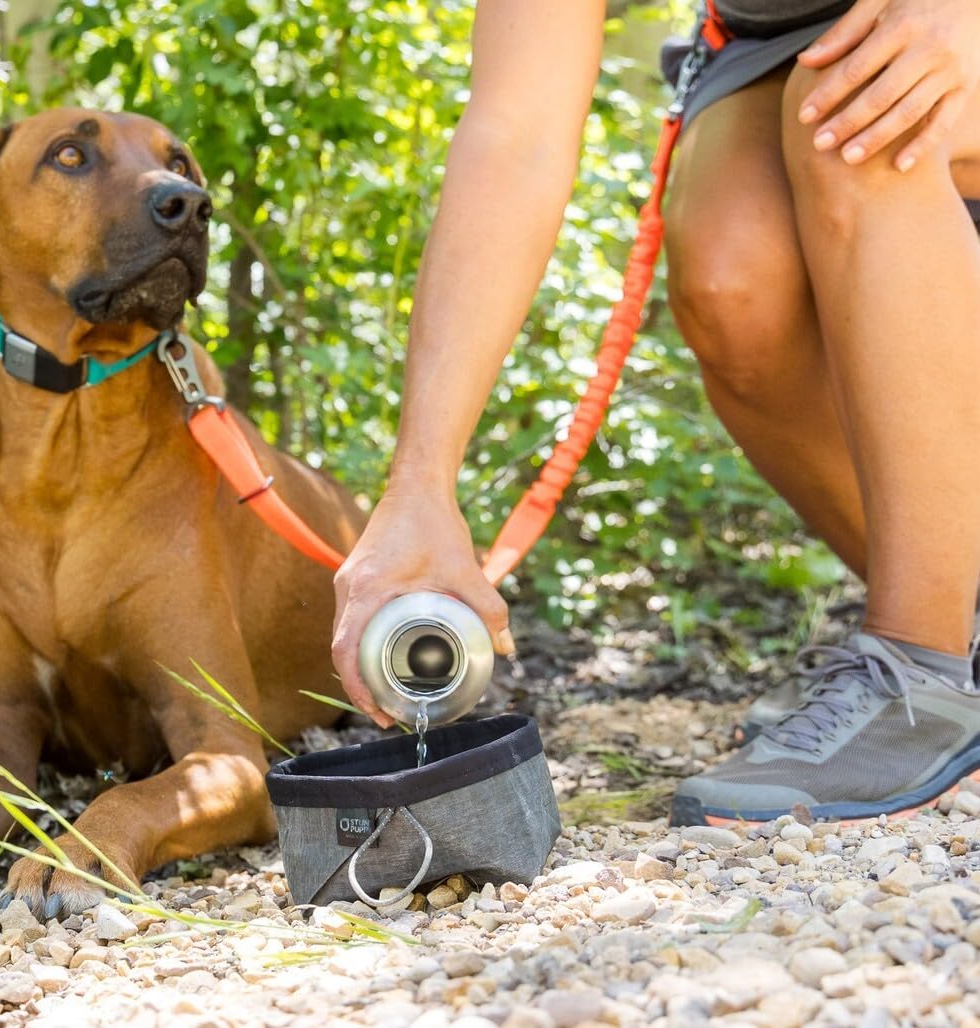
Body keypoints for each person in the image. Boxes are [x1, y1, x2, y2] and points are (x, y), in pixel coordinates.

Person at [330, 0, 980, 825]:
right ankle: (969, 628)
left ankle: (919, 673)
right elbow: (514, 134)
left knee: (861, 119)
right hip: (779, 41)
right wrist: (419, 483)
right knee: (729, 269)